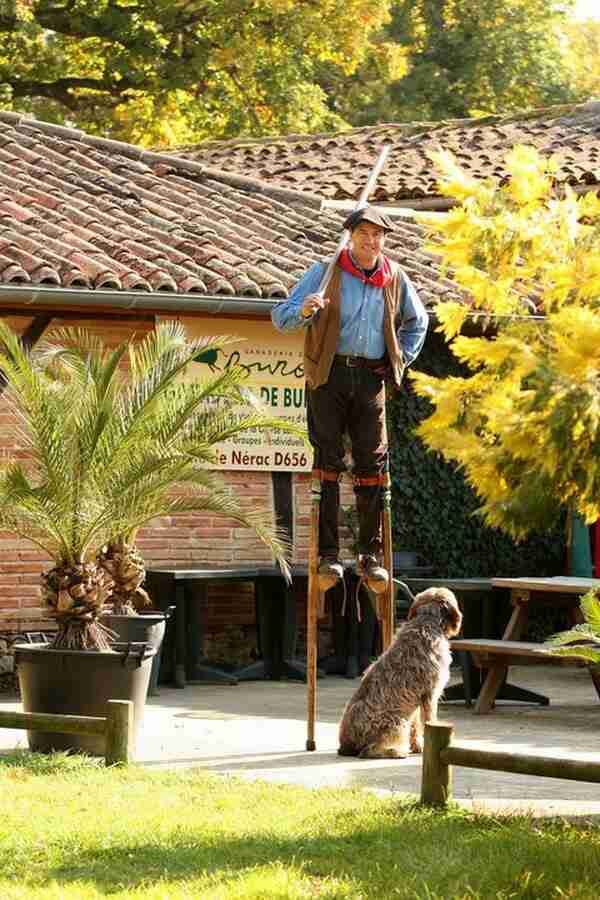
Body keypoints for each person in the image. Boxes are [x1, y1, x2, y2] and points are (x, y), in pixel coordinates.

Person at [271, 207, 428, 592]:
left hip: (372, 375)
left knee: (372, 464)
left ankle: (369, 555)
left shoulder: (395, 278)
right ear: (351, 236)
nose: (371, 241)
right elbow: (280, 317)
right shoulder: (325, 272)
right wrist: (306, 309)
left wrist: (399, 358)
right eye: (364, 234)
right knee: (327, 463)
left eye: (378, 235)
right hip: (329, 374)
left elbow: (417, 321)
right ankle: (328, 555)